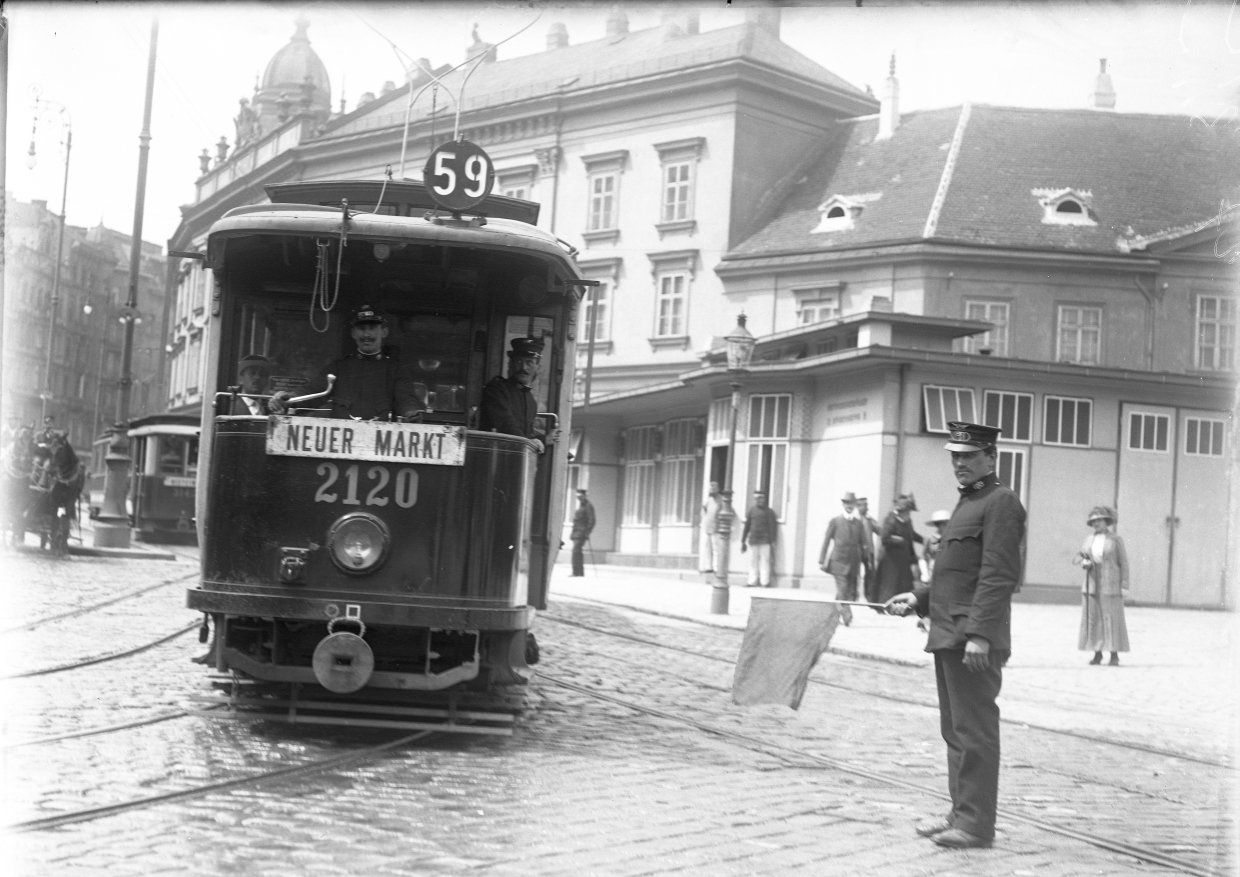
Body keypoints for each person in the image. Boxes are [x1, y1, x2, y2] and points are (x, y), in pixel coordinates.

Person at [884, 421, 1026, 850]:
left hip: (972, 639)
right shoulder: (970, 503)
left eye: (968, 456)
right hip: (950, 632)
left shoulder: (1001, 503)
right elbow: (957, 573)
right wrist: (918, 598)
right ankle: (960, 812)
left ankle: (976, 825)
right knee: (956, 731)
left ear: (990, 457)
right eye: (954, 456)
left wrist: (980, 634)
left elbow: (998, 575)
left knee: (974, 731)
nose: (959, 463)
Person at [269, 305, 424, 421]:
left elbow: (406, 399)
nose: (367, 334)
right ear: (353, 333)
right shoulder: (339, 368)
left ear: (384, 332)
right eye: (362, 328)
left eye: (372, 328)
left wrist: (411, 412)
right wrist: (289, 399)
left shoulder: (395, 370)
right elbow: (313, 390)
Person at [1073, 505, 1130, 666]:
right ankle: (1097, 653)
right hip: (1092, 584)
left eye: (1100, 520)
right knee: (1094, 618)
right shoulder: (1089, 540)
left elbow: (1124, 563)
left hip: (1111, 584)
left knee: (1112, 618)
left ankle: (1114, 655)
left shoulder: (1115, 540)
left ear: (1107, 522)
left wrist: (1124, 585)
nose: (1096, 523)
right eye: (1094, 521)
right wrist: (1084, 562)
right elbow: (1080, 558)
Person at [480, 337, 548, 452]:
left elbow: (525, 434)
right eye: (519, 361)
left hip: (517, 458)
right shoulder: (497, 389)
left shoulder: (531, 401)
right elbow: (507, 424)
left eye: (529, 362)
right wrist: (528, 443)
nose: (523, 368)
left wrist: (543, 439)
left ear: (537, 367)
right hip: (494, 457)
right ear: (511, 363)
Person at [818, 491, 872, 626]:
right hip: (838, 561)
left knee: (846, 591)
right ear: (843, 504)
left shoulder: (858, 523)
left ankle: (831, 616)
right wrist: (821, 559)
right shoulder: (835, 521)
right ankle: (848, 617)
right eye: (847, 503)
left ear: (855, 505)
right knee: (843, 589)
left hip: (853, 563)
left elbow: (864, 543)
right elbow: (826, 540)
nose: (849, 506)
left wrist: (867, 560)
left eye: (852, 504)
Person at [871, 492, 923, 605]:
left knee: (903, 582)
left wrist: (924, 540)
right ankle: (886, 605)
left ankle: (902, 604)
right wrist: (898, 541)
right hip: (891, 559)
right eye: (907, 511)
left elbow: (911, 535)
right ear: (901, 511)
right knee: (891, 582)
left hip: (904, 558)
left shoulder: (908, 521)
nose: (909, 514)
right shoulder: (891, 520)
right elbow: (884, 539)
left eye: (910, 511)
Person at [740, 491, 778, 587]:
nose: (759, 500)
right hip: (753, 540)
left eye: (761, 498)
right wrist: (743, 541)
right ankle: (751, 582)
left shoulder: (769, 512)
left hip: (765, 540)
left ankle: (765, 582)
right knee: (753, 560)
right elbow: (747, 526)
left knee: (765, 560)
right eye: (757, 498)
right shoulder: (751, 511)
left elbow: (773, 527)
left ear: (764, 499)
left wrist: (773, 540)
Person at [569, 488, 596, 577]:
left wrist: (587, 531)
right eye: (578, 496)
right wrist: (572, 533)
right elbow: (576, 521)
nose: (579, 498)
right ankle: (579, 572)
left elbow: (592, 520)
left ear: (584, 496)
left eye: (581, 496)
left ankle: (576, 572)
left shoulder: (588, 506)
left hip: (582, 533)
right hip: (576, 532)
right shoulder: (580, 506)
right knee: (577, 552)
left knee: (575, 551)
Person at [699, 481, 721, 573]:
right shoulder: (708, 500)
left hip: (716, 528)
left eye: (714, 488)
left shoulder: (721, 500)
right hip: (707, 527)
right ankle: (708, 567)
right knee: (707, 547)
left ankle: (716, 568)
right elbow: (703, 510)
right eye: (711, 488)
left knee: (716, 548)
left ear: (718, 489)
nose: (712, 490)